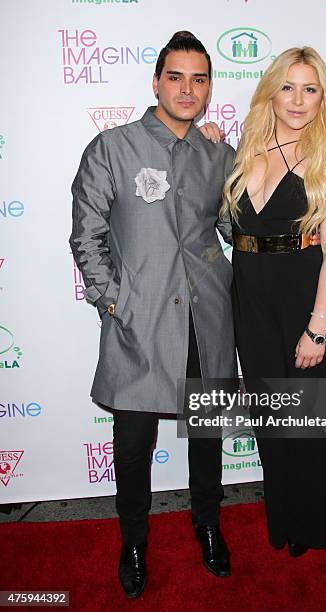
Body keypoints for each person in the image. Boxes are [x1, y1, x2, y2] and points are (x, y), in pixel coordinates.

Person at [70, 31, 237, 599]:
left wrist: (247, 164)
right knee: (133, 442)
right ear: (156, 82)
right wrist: (113, 301)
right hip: (139, 325)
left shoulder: (218, 153)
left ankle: (208, 526)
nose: (187, 89)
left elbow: (235, 228)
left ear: (209, 88)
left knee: (208, 435)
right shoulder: (112, 148)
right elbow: (86, 236)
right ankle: (134, 540)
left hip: (207, 319)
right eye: (176, 77)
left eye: (199, 79)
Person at [222, 47, 326, 555]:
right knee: (272, 420)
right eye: (288, 87)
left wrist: (318, 327)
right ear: (271, 92)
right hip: (249, 298)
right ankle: (282, 520)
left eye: (311, 89)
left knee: (306, 425)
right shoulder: (244, 148)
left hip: (305, 300)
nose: (298, 100)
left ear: (323, 98)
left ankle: (312, 528)